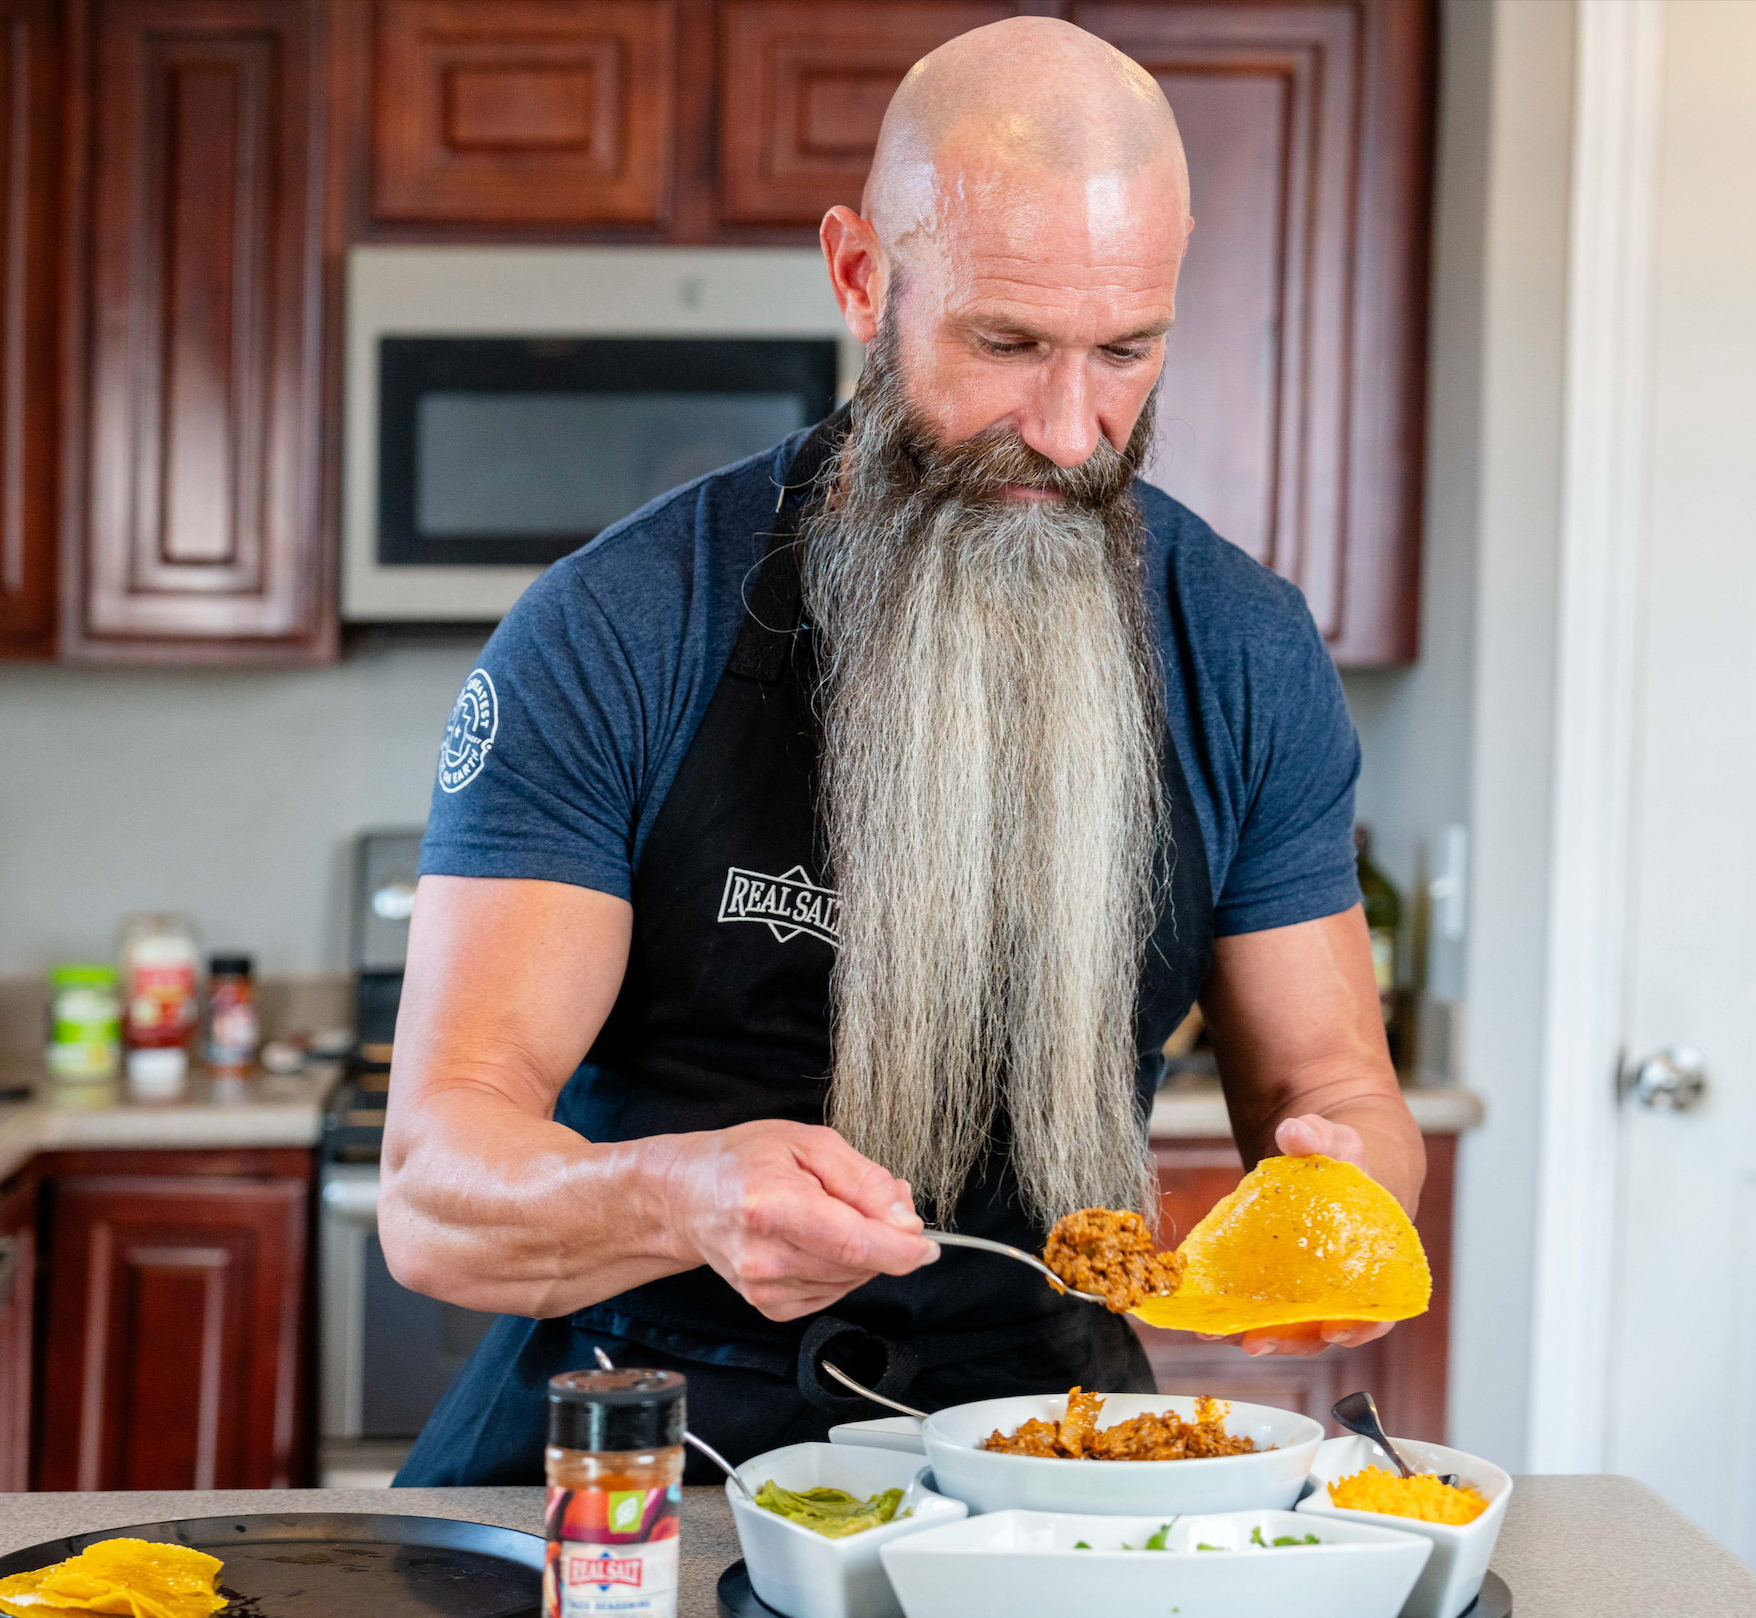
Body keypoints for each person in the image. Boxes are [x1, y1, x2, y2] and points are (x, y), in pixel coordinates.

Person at [379, 16, 1421, 1484]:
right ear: (862, 276)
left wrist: (1350, 1191)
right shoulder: (618, 627)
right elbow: (431, 1191)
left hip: (1041, 1449)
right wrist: (679, 1196)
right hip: (641, 1455)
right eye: (1003, 344)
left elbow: (1339, 1091)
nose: (1069, 431)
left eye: (1125, 351)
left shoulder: (1243, 648)